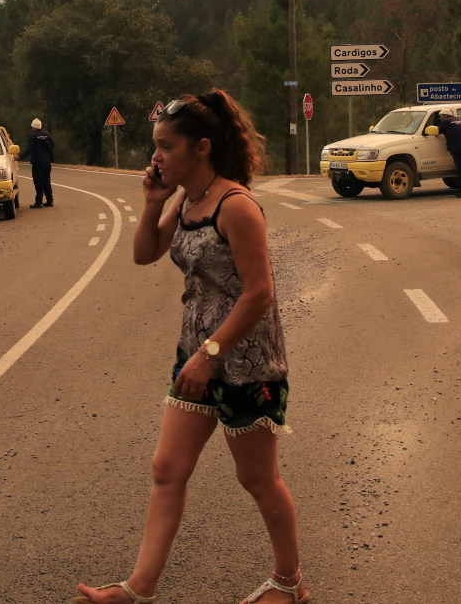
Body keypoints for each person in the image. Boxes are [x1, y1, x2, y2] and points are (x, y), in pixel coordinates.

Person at [76, 91, 309, 604]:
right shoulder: (185, 199)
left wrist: (213, 354)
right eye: (154, 146)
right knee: (167, 469)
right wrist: (153, 203)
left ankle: (290, 583)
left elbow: (260, 292)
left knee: (257, 478)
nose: (155, 157)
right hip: (196, 355)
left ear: (201, 147)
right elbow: (144, 254)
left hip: (245, 362)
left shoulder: (236, 205)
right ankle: (139, 588)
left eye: (166, 146)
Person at [439, 109, 461, 197]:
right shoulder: (458, 119)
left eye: (441, 116)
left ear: (446, 115)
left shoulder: (445, 122)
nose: (440, 118)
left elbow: (438, 131)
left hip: (457, 148)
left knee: (460, 170)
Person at [24, 117, 55, 209]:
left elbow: (29, 149)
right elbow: (53, 145)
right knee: (46, 181)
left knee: (38, 182)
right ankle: (49, 200)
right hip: (47, 161)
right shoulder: (47, 134)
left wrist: (20, 157)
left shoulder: (32, 136)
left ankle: (39, 202)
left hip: (37, 162)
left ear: (33, 126)